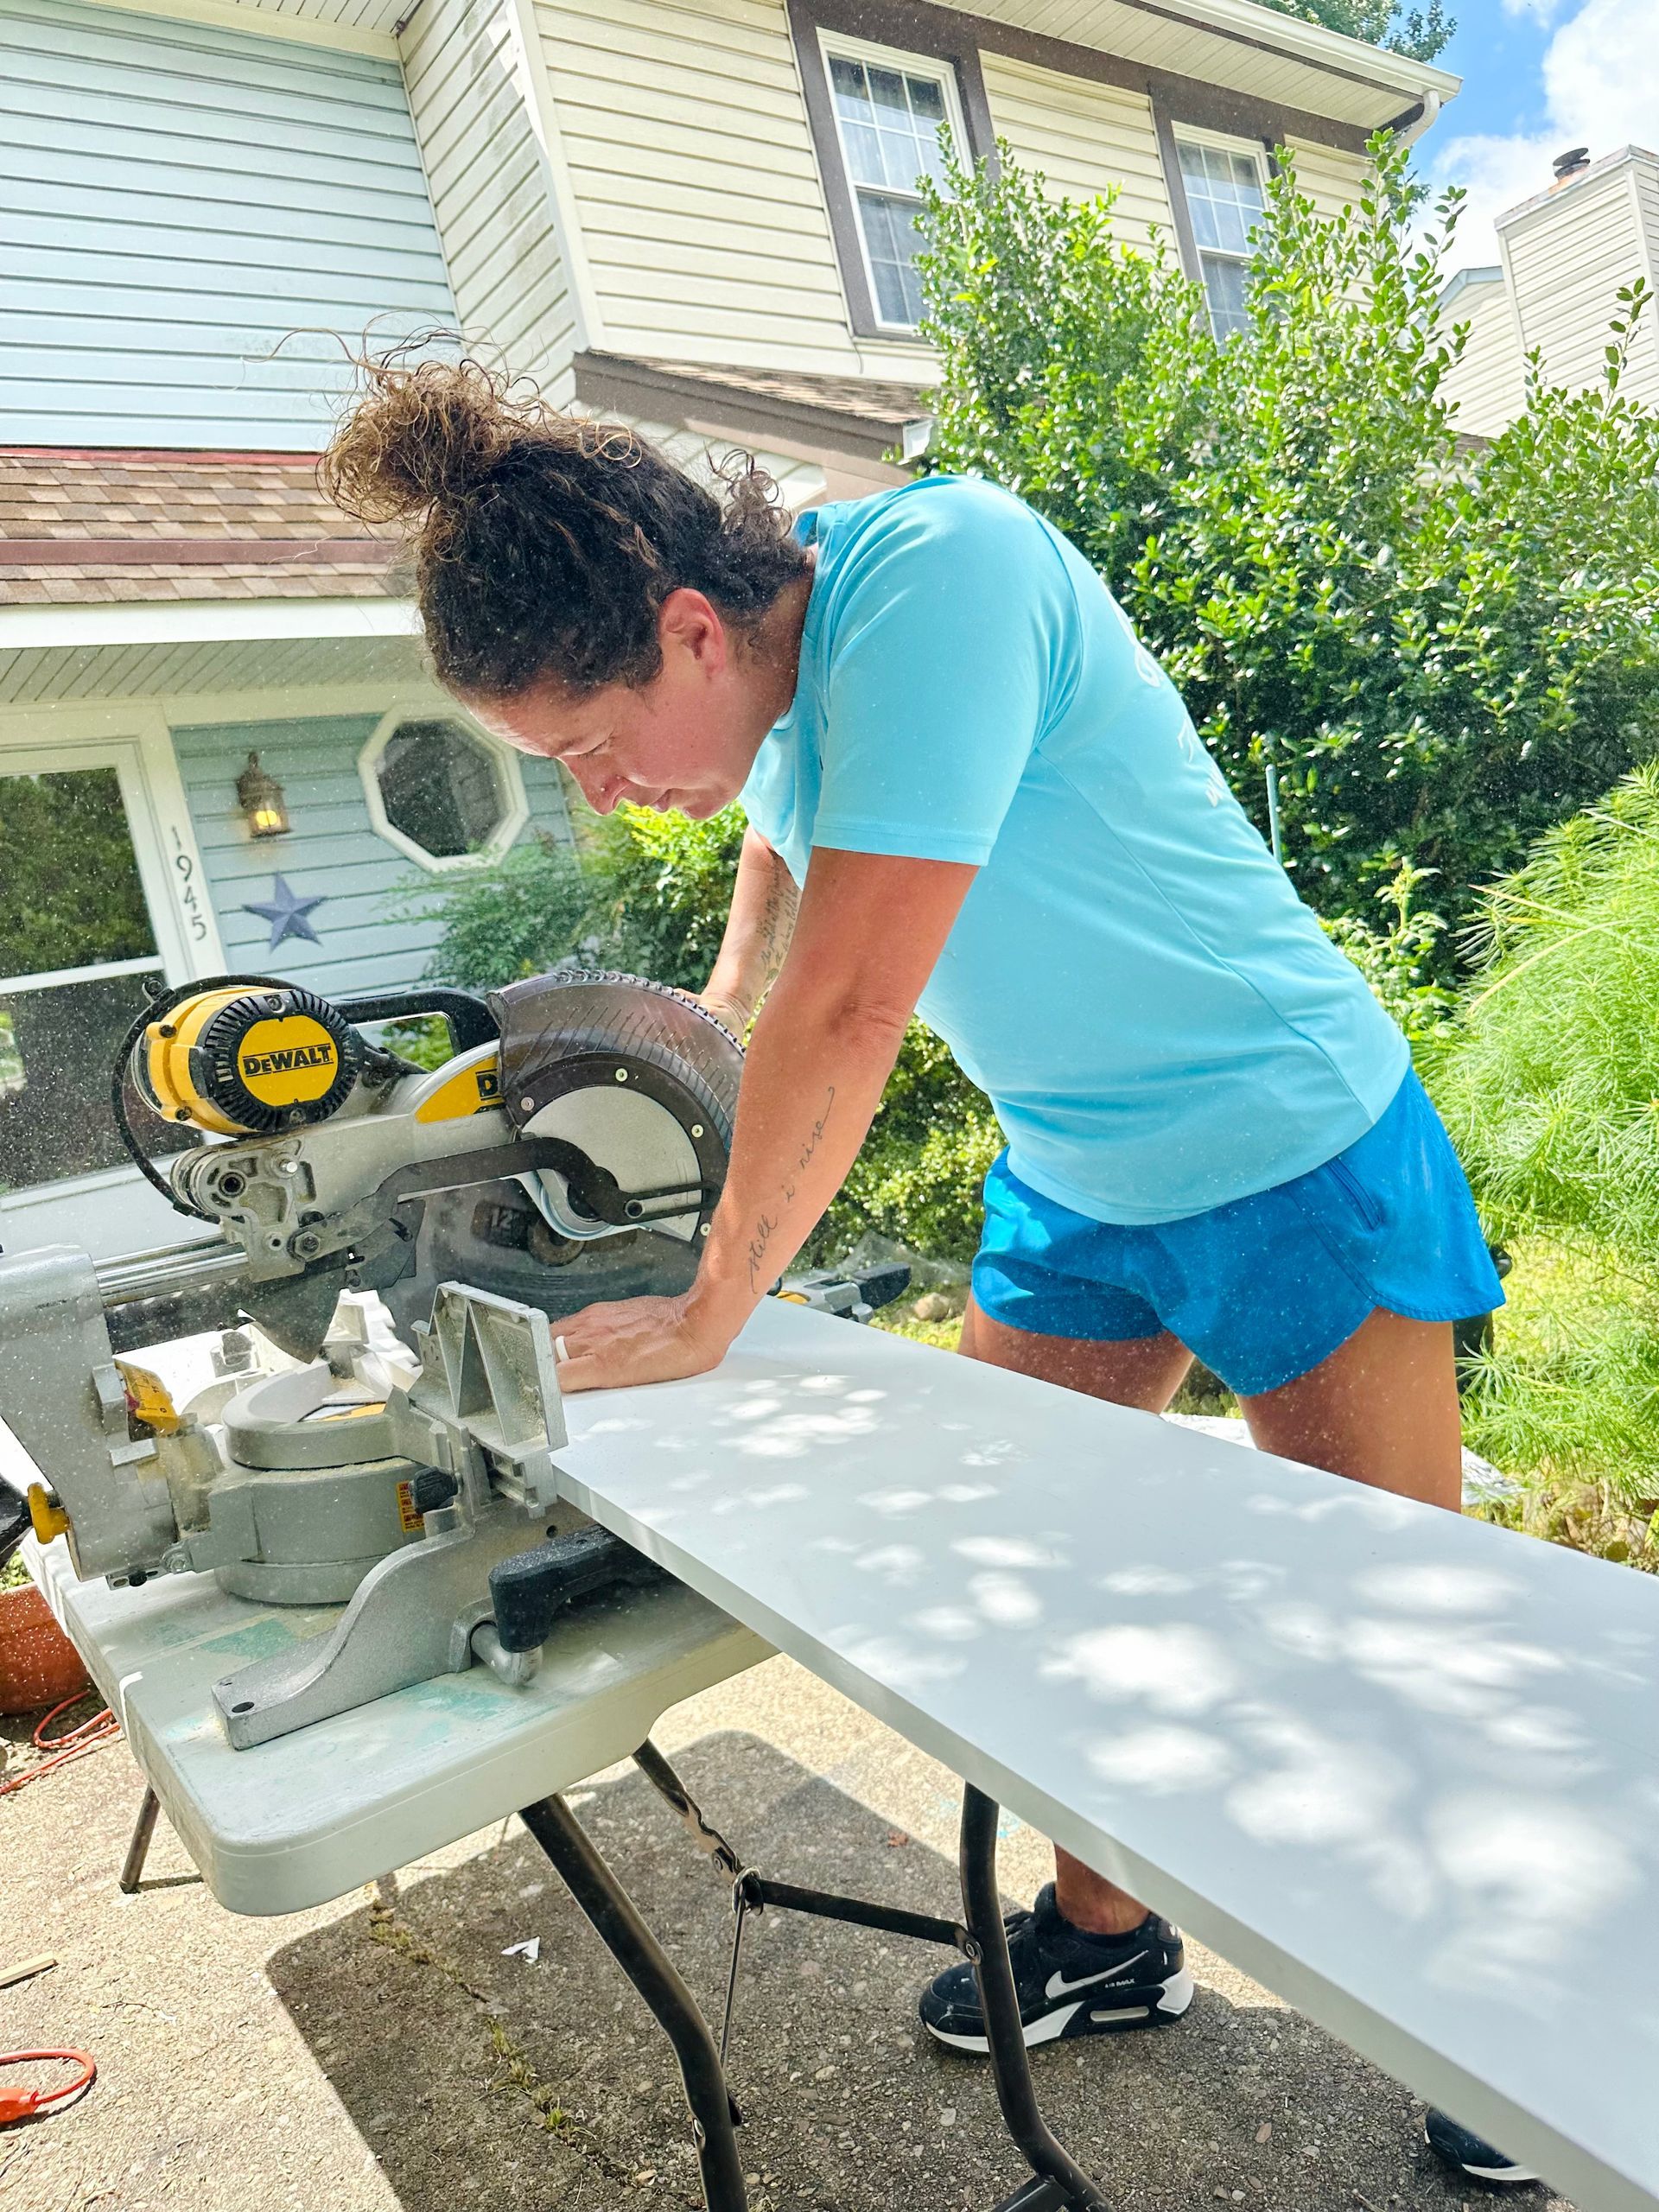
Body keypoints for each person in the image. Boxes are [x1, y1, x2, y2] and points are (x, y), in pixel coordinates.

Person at [322, 358, 1524, 2186]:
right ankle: (1109, 1938)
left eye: (589, 737)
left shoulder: (945, 572)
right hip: (1076, 1170)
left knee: (1394, 1622)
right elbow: (783, 842)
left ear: (689, 624)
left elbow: (862, 998)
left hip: (1295, 1143)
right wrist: (711, 1011)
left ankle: (1503, 2032)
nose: (597, 785)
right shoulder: (784, 649)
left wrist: (719, 1300)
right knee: (1036, 1580)